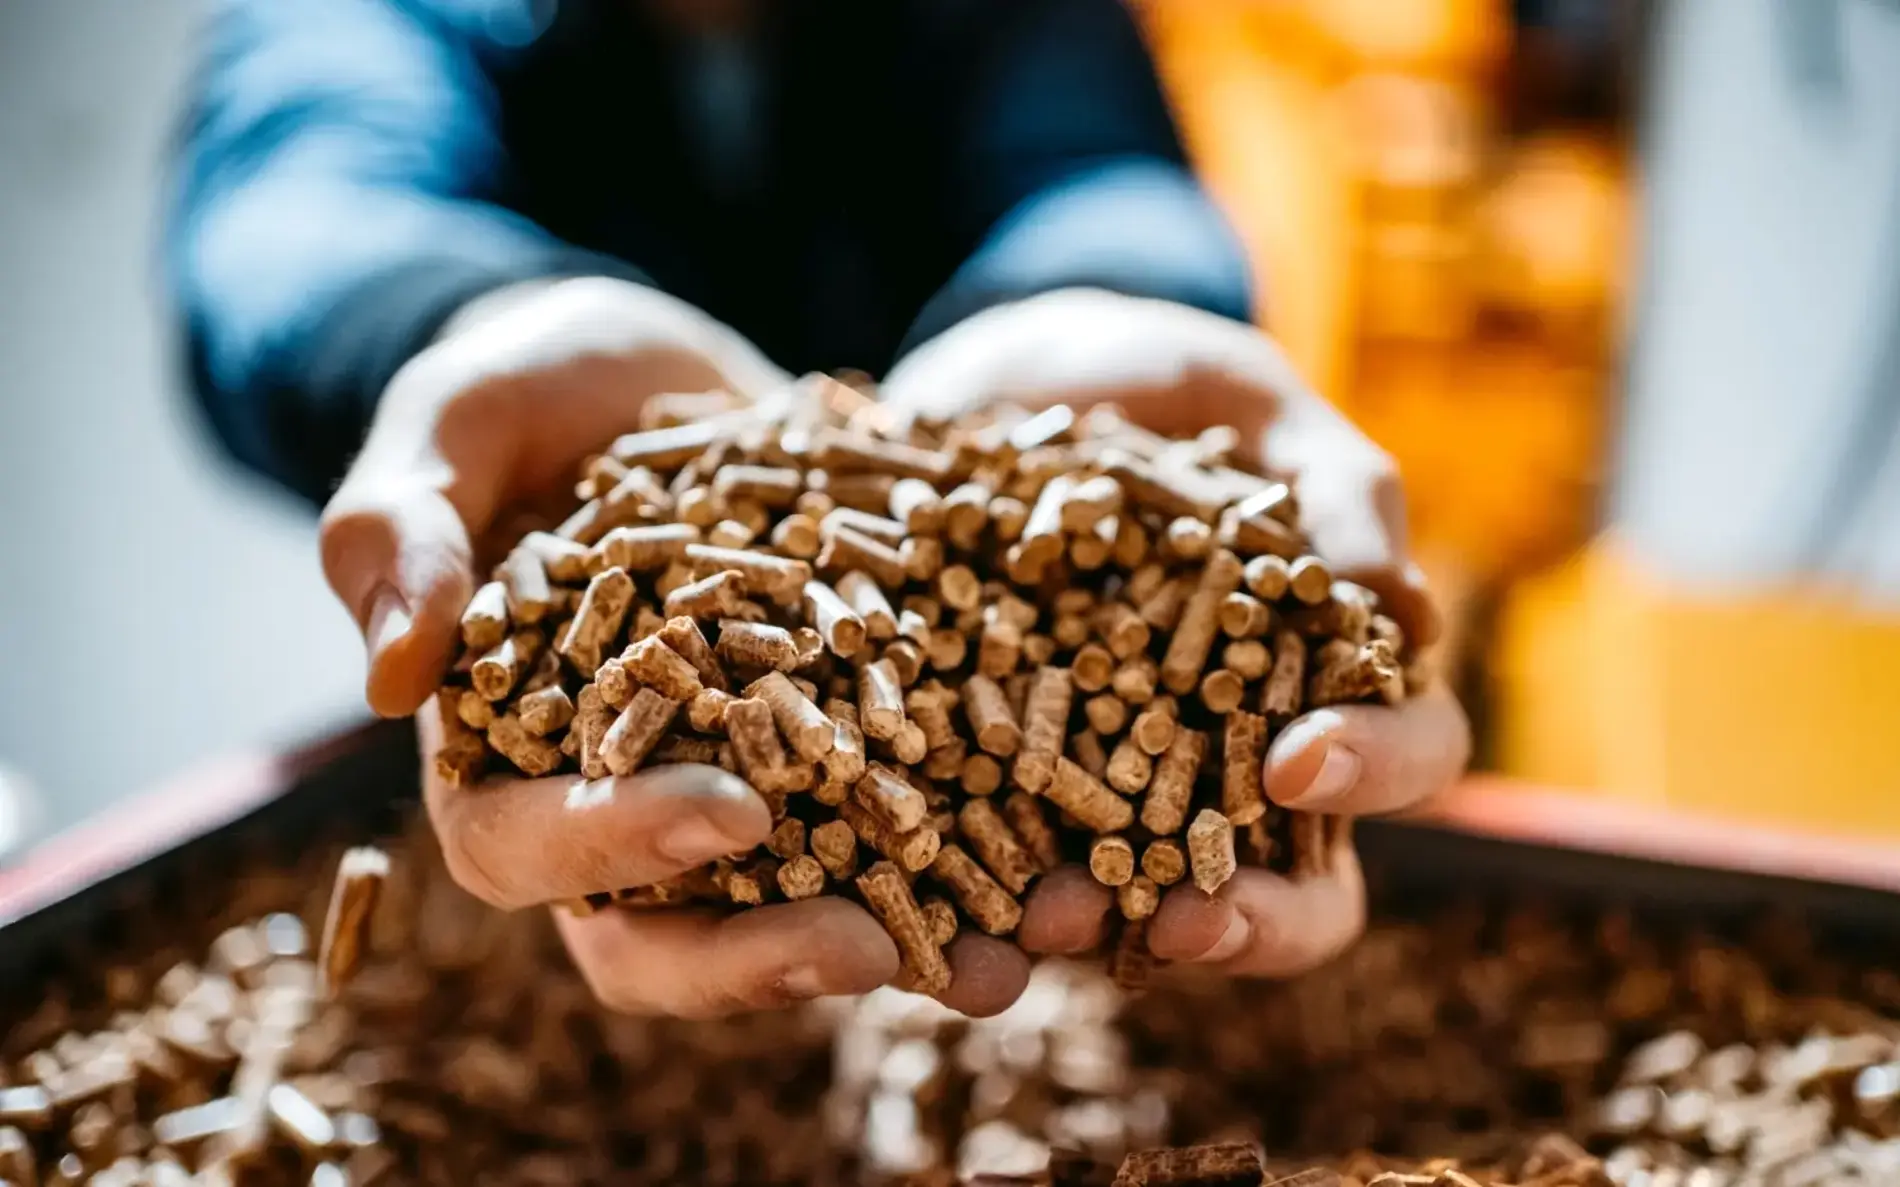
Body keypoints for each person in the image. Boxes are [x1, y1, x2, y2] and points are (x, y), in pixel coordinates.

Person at [168, 0, 1470, 1018]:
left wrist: (1107, 299)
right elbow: (291, 216)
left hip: (952, 738)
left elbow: (1100, 171)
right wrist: (460, 324)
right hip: (582, 802)